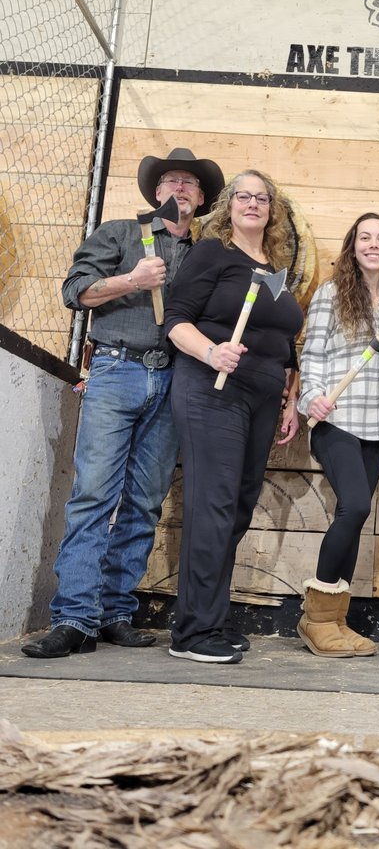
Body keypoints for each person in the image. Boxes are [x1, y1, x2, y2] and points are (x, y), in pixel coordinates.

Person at [22, 148, 223, 659]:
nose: (180, 189)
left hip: (175, 377)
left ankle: (113, 612)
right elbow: (75, 292)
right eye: (172, 181)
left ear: (200, 200)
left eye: (191, 184)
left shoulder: (207, 253)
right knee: (93, 495)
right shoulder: (118, 233)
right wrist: (132, 281)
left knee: (144, 502)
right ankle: (74, 619)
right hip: (116, 370)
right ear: (156, 192)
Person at [164, 169, 304, 664]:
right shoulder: (213, 252)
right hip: (211, 389)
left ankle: (210, 616)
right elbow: (176, 320)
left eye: (261, 197)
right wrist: (210, 353)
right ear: (229, 204)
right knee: (214, 504)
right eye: (243, 196)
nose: (252, 203)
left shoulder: (277, 266)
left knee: (239, 507)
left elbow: (283, 341)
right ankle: (193, 632)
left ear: (273, 207)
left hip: (262, 397)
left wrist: (289, 393)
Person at [296, 213, 379, 657]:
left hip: (376, 425)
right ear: (353, 245)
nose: (374, 244)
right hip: (337, 419)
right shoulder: (331, 293)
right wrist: (312, 398)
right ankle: (315, 618)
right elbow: (314, 352)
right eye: (365, 237)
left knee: (354, 515)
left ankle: (336, 621)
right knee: (356, 505)